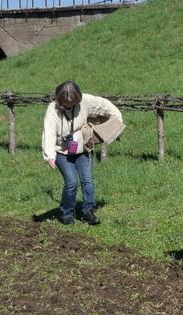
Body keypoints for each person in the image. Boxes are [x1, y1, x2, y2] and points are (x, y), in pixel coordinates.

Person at [41, 81, 124, 225]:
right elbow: (49, 132)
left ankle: (88, 211)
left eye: (72, 102)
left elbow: (102, 105)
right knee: (72, 182)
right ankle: (66, 213)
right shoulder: (52, 110)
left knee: (87, 181)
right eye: (66, 103)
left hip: (82, 148)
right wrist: (50, 155)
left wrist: (117, 116)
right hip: (62, 152)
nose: (69, 105)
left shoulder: (85, 101)